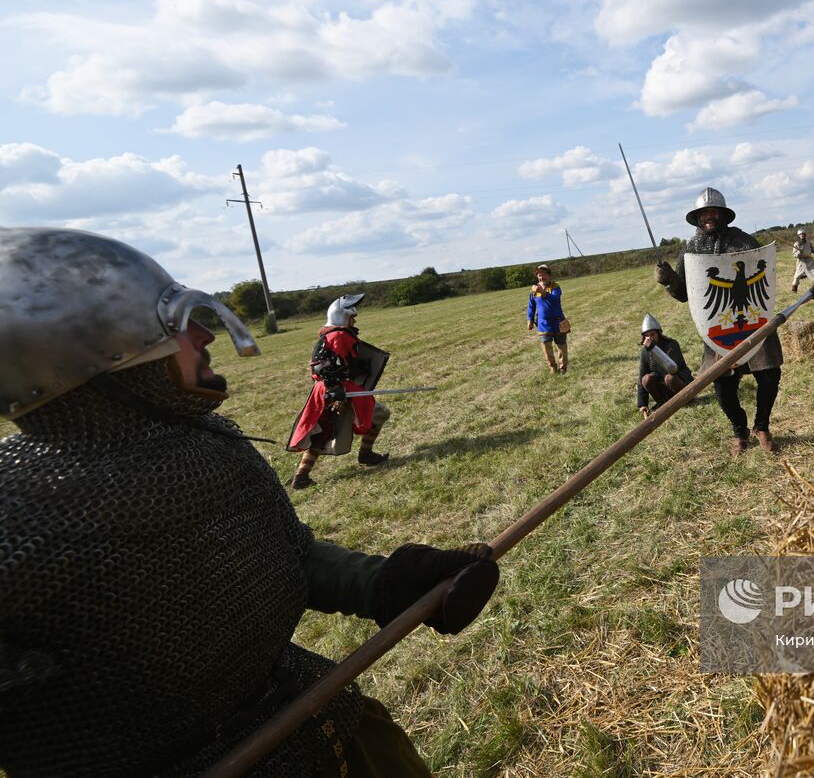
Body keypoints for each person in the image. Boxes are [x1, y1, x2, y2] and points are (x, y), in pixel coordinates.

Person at [0, 226, 499, 778]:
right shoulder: (13, 519)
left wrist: (392, 583)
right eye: (178, 325)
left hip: (314, 717)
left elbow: (287, 557)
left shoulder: (211, 446)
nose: (206, 337)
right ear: (101, 354)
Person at [654, 187, 783, 454]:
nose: (709, 217)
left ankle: (762, 427)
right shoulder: (690, 250)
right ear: (698, 217)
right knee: (723, 386)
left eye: (713, 212)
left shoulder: (744, 242)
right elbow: (684, 296)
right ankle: (739, 430)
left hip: (751, 318)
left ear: (723, 214)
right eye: (704, 213)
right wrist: (670, 281)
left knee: (770, 375)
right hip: (718, 325)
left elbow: (764, 277)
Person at [286, 293, 392, 490]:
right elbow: (320, 367)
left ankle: (302, 476)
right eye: (352, 317)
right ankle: (365, 455)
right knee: (378, 414)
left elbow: (337, 364)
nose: (354, 320)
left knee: (324, 430)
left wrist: (357, 369)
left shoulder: (334, 335)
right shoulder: (338, 336)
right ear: (342, 317)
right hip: (336, 391)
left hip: (335, 389)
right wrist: (336, 391)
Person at [636, 313, 694, 419]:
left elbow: (672, 368)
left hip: (680, 385)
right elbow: (641, 377)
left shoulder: (671, 344)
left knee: (669, 378)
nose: (650, 338)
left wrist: (653, 349)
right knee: (646, 379)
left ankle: (684, 401)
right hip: (665, 391)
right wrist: (642, 403)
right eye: (647, 335)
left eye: (652, 334)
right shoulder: (645, 351)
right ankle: (662, 403)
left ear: (658, 333)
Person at [527, 263, 569, 375]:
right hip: (543, 324)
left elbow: (555, 299)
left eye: (544, 275)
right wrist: (530, 319)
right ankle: (553, 368)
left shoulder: (555, 286)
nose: (541, 277)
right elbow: (531, 306)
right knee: (546, 348)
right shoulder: (533, 290)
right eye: (539, 275)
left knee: (562, 346)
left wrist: (543, 292)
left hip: (558, 322)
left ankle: (563, 368)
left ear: (549, 275)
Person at [791, 228, 814, 293]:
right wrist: (799, 252)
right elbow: (794, 255)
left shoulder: (808, 243)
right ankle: (794, 290)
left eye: (803, 234)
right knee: (797, 276)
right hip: (801, 262)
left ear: (805, 235)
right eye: (800, 235)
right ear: (798, 236)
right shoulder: (796, 244)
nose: (802, 235)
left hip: (810, 260)